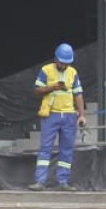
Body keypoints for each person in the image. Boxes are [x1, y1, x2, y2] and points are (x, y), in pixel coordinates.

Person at [29, 43, 85, 192]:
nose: (64, 65)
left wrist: (82, 115)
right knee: (45, 148)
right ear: (55, 59)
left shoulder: (73, 72)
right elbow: (37, 90)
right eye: (61, 62)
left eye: (66, 63)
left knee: (67, 149)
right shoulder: (46, 70)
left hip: (68, 115)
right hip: (51, 115)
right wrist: (52, 87)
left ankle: (63, 181)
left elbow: (78, 94)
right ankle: (40, 181)